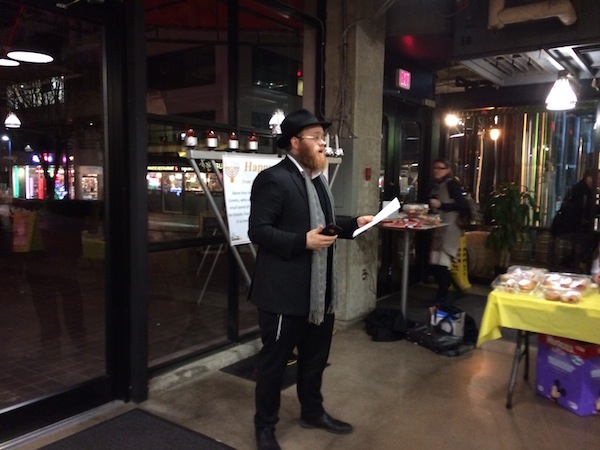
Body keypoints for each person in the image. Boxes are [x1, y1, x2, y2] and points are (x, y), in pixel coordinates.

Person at [248, 109, 374, 450]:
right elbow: (258, 231)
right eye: (316, 138)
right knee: (273, 365)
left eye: (323, 138)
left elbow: (324, 225)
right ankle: (265, 427)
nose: (323, 144)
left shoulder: (317, 180)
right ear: (294, 142)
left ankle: (313, 412)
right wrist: (301, 242)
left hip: (319, 296)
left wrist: (353, 224)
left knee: (314, 360)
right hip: (282, 295)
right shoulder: (274, 179)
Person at [428, 158, 469, 306]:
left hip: (450, 227)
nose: (436, 171)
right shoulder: (436, 185)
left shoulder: (452, 184)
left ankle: (442, 297)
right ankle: (456, 289)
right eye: (434, 168)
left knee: (442, 263)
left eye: (440, 168)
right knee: (436, 262)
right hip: (439, 226)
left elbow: (463, 205)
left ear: (448, 170)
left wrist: (442, 205)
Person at [551, 169, 596, 272]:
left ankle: (574, 263)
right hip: (567, 228)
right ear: (589, 178)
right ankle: (574, 264)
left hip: (564, 226)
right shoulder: (582, 190)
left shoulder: (581, 189)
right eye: (597, 178)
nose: (598, 181)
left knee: (592, 238)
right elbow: (584, 210)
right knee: (591, 239)